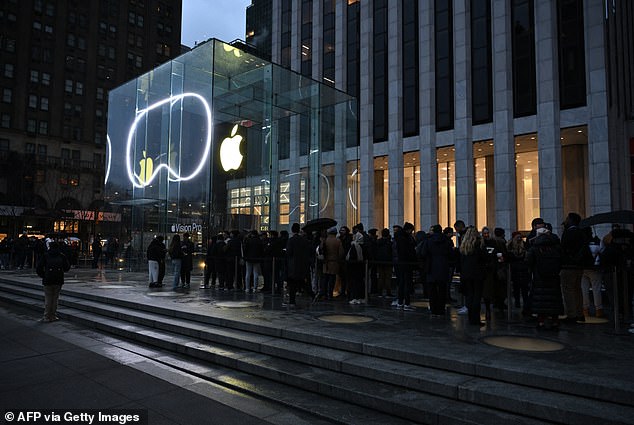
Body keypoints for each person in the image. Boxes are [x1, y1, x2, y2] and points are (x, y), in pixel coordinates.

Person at [526, 227, 564, 329]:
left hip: (539, 277)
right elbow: (561, 261)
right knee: (553, 300)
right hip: (554, 278)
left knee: (540, 300)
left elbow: (528, 261)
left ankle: (541, 321)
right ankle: (555, 321)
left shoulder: (535, 248)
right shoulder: (556, 247)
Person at [560, 212, 590, 323]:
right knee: (577, 289)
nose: (565, 220)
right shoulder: (581, 233)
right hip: (578, 266)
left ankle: (572, 315)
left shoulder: (568, 233)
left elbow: (563, 248)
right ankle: (579, 313)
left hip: (568, 266)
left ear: (571, 220)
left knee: (568, 290)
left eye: (567, 218)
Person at [419, 224, 453, 316]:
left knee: (432, 291)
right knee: (442, 290)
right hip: (443, 266)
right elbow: (450, 253)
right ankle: (441, 309)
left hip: (431, 267)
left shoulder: (428, 240)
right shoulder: (446, 241)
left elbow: (423, 253)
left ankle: (433, 309)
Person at [458, 227, 488, 326]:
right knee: (477, 296)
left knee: (470, 296)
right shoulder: (479, 244)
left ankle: (471, 318)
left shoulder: (464, 245)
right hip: (477, 273)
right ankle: (476, 319)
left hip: (466, 273)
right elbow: (484, 258)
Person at [36, 241, 70, 322]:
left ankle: (47, 316)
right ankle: (53, 315)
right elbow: (67, 267)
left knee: (48, 298)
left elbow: (39, 268)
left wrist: (44, 275)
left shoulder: (46, 255)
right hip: (58, 279)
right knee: (55, 299)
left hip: (48, 279)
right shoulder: (62, 256)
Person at [285, 223, 311, 307]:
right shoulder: (304, 240)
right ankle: (312, 295)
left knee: (292, 284)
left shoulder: (291, 240)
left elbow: (289, 252)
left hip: (293, 264)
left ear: (292, 230)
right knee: (302, 282)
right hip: (302, 264)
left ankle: (292, 301)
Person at [580, 227, 603, 318]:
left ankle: (585, 309)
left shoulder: (581, 243)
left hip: (583, 268)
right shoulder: (597, 241)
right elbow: (602, 252)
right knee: (596, 289)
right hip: (595, 267)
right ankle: (598, 309)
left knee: (583, 290)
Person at [394, 222, 416, 311]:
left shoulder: (399, 237)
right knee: (406, 282)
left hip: (400, 263)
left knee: (402, 283)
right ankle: (406, 303)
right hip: (406, 263)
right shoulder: (405, 238)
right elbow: (407, 251)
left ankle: (400, 302)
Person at [507, 231, 530, 313]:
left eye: (520, 237)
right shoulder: (510, 246)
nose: (519, 239)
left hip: (522, 269)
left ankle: (525, 304)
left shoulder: (523, 245)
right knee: (517, 288)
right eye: (518, 237)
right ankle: (518, 302)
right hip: (515, 270)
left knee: (524, 288)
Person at [318, 226, 344, 300]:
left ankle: (324, 293)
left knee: (325, 279)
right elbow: (341, 253)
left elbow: (320, 250)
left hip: (326, 262)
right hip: (334, 262)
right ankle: (330, 293)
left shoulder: (325, 240)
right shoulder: (338, 241)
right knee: (332, 279)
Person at [346, 231, 366, 305]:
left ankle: (355, 297)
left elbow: (352, 257)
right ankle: (360, 297)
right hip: (360, 267)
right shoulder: (361, 245)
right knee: (359, 282)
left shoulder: (355, 245)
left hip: (354, 267)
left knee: (355, 282)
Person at [375, 228, 394, 298]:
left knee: (381, 277)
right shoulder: (389, 243)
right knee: (388, 278)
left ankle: (380, 292)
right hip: (388, 262)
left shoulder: (378, 242)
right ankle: (388, 292)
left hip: (380, 261)